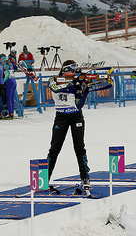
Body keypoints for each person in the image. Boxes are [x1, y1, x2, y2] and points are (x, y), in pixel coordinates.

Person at [47, 59, 112, 194]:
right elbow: (56, 88)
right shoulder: (53, 79)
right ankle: (43, 179)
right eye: (72, 70)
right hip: (61, 116)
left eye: (75, 70)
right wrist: (74, 84)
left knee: (79, 148)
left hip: (75, 115)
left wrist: (85, 89)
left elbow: (79, 105)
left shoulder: (78, 82)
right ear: (65, 70)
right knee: (54, 149)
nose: (74, 72)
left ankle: (85, 178)